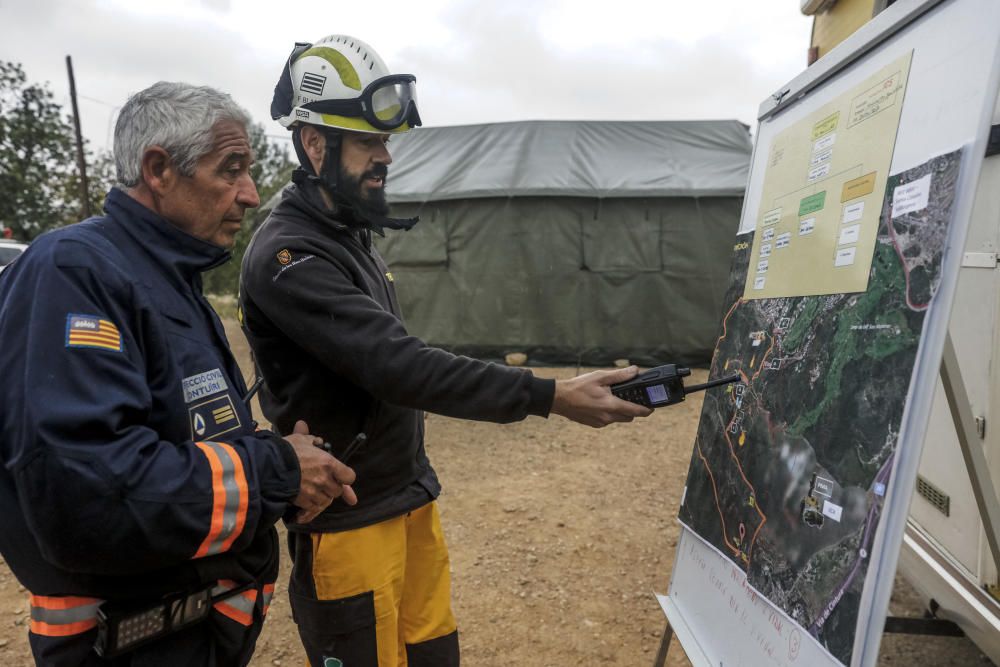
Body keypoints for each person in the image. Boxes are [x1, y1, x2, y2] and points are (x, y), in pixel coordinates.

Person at [239, 35, 653, 667]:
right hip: (350, 521)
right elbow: (397, 365)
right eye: (368, 143)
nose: (385, 159)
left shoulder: (349, 236)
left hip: (404, 499)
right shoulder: (289, 254)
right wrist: (553, 395)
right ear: (315, 143)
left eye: (386, 144)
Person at [0, 81, 357, 667]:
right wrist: (278, 469)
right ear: (159, 168)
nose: (250, 193)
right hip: (127, 645)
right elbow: (89, 496)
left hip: (188, 635)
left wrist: (280, 469)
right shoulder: (77, 271)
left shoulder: (166, 277)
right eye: (231, 169)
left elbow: (183, 442)